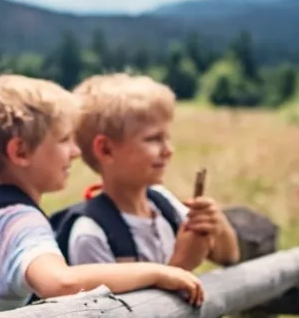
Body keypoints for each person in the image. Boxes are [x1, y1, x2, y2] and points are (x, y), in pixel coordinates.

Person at [0, 74, 205, 312]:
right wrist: (159, 272)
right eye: (64, 139)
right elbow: (60, 282)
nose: (76, 151)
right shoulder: (22, 222)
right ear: (21, 152)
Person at [64, 73, 241, 270]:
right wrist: (182, 265)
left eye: (167, 137)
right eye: (153, 139)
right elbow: (119, 303)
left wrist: (216, 224)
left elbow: (229, 256)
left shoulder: (163, 204)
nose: (168, 150)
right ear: (106, 149)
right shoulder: (91, 234)